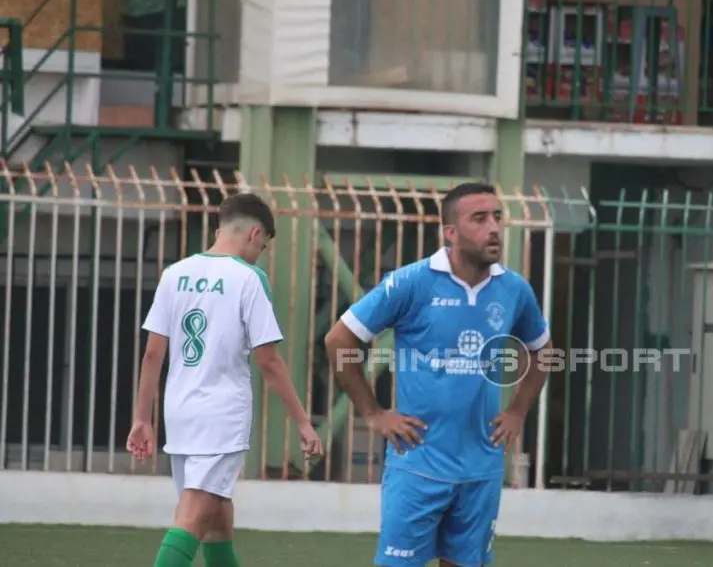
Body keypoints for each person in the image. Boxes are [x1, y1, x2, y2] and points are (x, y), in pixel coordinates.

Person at [325, 182, 552, 567]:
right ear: (451, 232)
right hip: (418, 465)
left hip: (481, 469)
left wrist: (517, 411)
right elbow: (338, 339)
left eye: (497, 217)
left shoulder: (514, 289)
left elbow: (543, 351)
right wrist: (373, 413)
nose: (493, 227)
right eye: (479, 218)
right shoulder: (412, 282)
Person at [127, 192, 323, 567]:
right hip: (220, 416)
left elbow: (153, 354)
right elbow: (268, 360)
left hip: (180, 413)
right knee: (192, 517)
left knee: (217, 521)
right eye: (262, 246)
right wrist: (302, 421)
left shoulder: (174, 273)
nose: (259, 254)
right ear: (254, 234)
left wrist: (141, 419)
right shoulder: (249, 278)